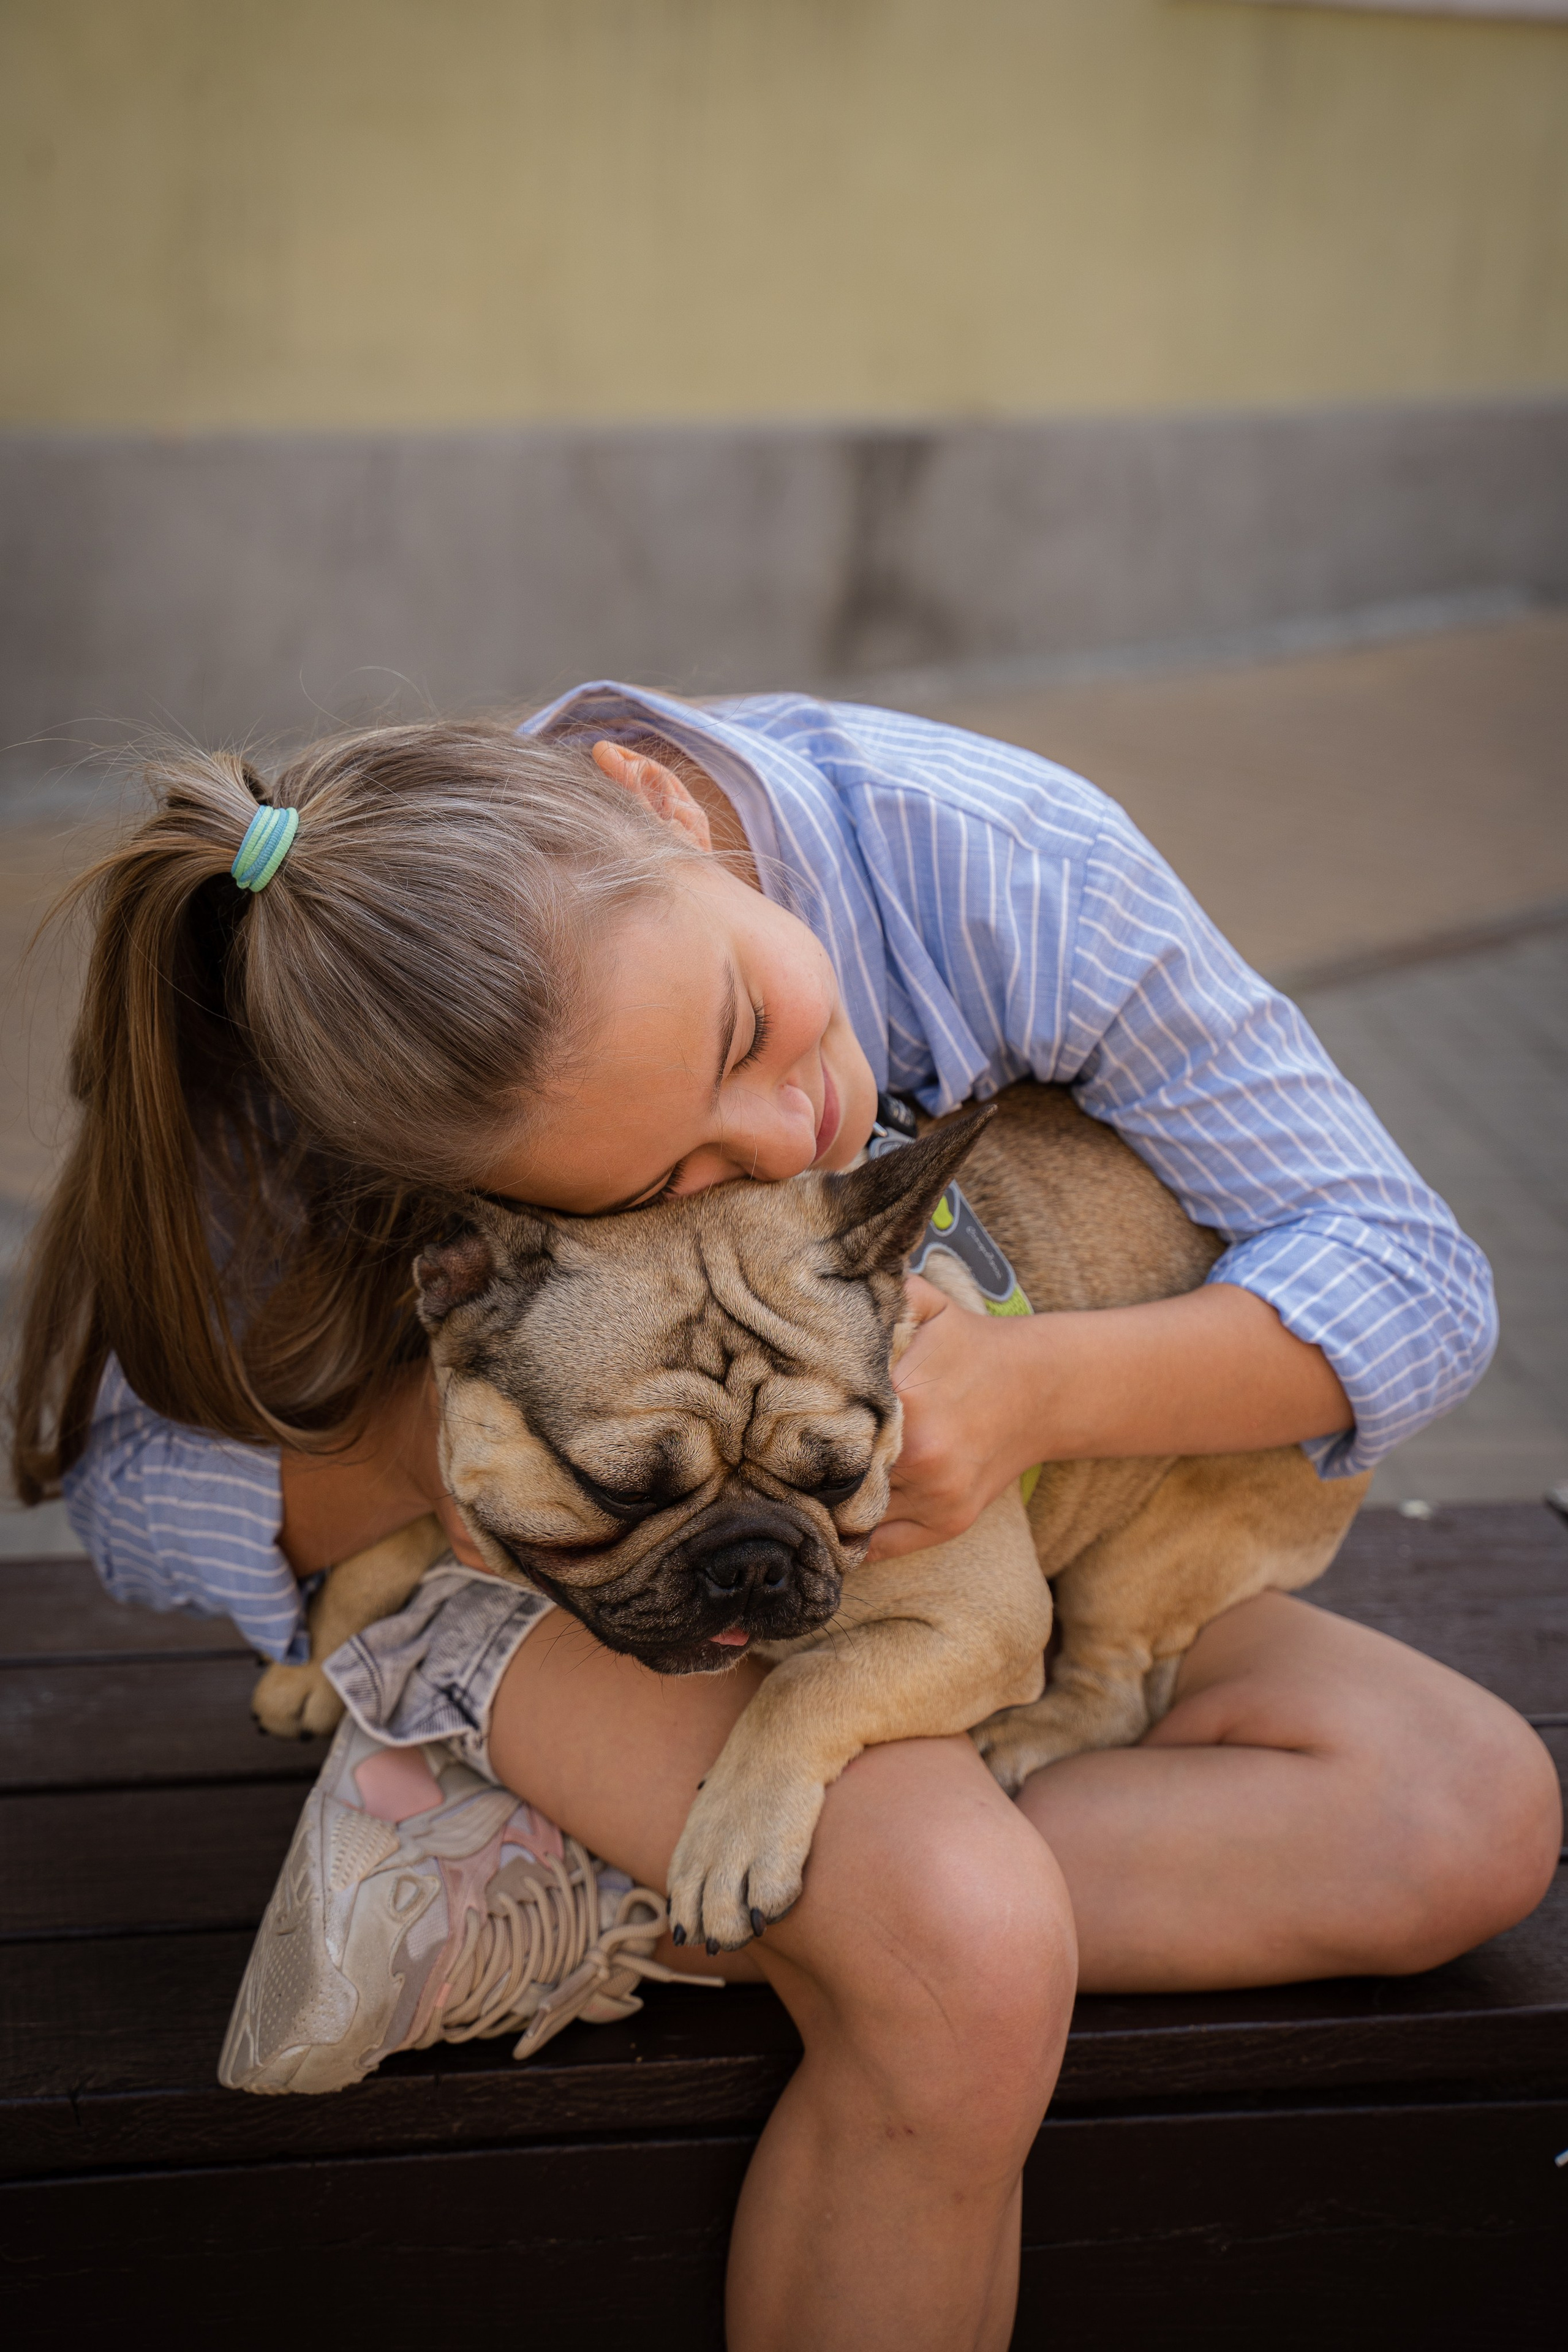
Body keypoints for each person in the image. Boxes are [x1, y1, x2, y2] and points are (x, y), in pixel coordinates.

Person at [12, 682, 1559, 2352]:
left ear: (655, 803)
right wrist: (419, 1461)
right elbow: (117, 1474)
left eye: (746, 1030)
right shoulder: (335, 1032)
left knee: (1461, 1816)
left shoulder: (994, 860)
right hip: (544, 1561)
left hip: (1000, 1530)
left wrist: (1040, 1396)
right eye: (655, 1185)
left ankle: (587, 1888)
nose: (786, 1132)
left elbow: (1413, 1277)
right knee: (966, 1962)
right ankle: (700, 1848)